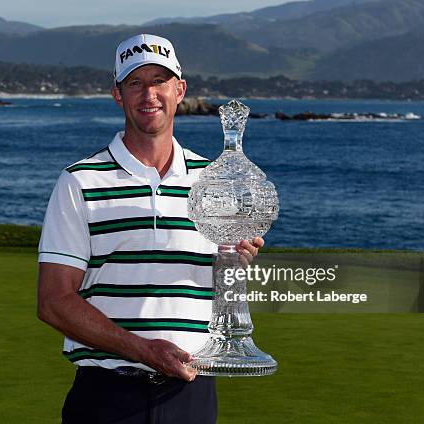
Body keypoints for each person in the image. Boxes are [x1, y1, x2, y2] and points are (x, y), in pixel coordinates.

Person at [37, 33, 264, 424]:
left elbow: (223, 290)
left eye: (159, 80)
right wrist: (143, 350)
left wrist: (239, 262)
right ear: (118, 95)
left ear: (180, 90)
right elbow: (53, 301)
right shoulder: (80, 181)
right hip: (107, 398)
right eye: (135, 83)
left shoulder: (214, 180)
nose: (149, 95)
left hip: (193, 395)